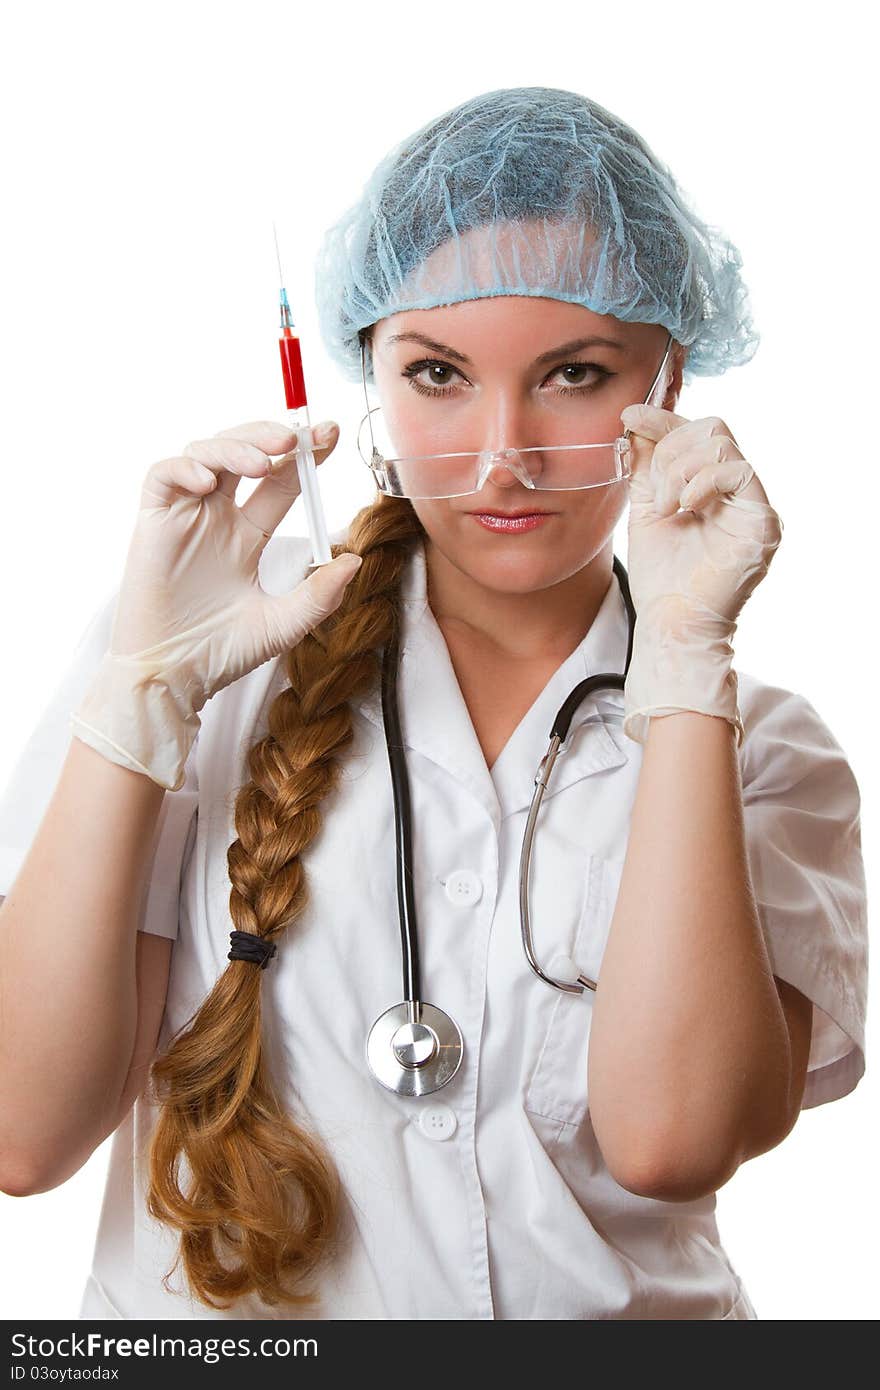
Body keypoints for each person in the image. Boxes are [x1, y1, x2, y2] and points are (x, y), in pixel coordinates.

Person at [0, 87, 867, 1322]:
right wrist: (137, 698)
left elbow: (673, 1139)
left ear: (668, 372)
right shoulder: (200, 663)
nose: (501, 454)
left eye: (575, 374)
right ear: (369, 374)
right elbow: (20, 1134)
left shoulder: (761, 748)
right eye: (438, 374)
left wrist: (682, 666)